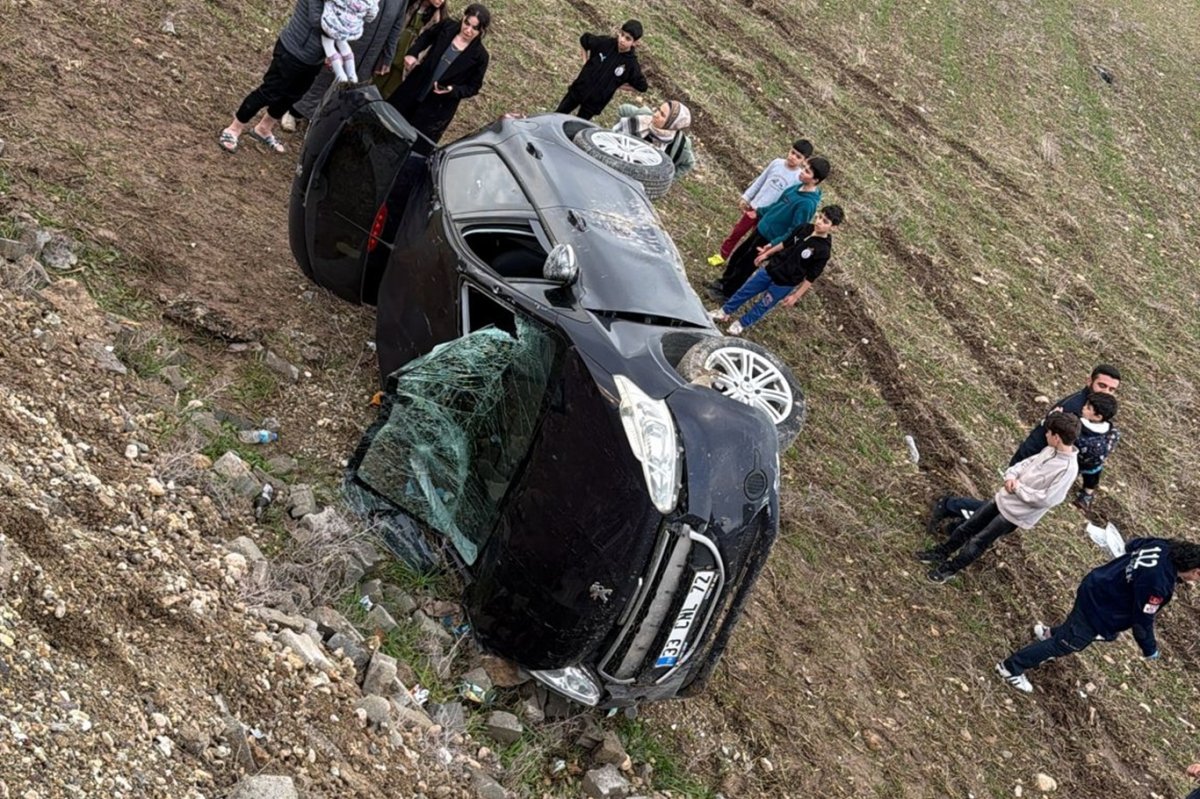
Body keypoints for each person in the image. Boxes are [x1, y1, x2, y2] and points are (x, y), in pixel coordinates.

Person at [995, 537, 1200, 693]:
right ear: (1196, 571)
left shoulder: (1164, 546)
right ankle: (1011, 667)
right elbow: (1142, 621)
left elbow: (1133, 545)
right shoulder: (1159, 585)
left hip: (1096, 583)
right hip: (1101, 608)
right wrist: (1149, 648)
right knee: (1070, 643)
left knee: (1075, 625)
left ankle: (1047, 633)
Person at [916, 411, 1081, 584]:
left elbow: (1047, 499)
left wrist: (1017, 488)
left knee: (978, 542)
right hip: (1002, 499)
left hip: (1013, 515)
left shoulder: (1068, 469)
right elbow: (1025, 464)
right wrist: (1011, 476)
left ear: (1057, 437)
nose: (1046, 434)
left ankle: (948, 569)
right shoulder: (1049, 450)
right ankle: (940, 552)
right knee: (967, 527)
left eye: (1048, 432)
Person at [707, 156, 830, 300]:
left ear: (815, 180)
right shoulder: (797, 187)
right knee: (738, 256)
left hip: (770, 238)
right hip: (762, 228)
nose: (802, 172)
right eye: (804, 168)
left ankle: (727, 292)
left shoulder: (807, 204)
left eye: (807, 172)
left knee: (745, 265)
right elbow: (776, 205)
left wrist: (774, 244)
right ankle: (723, 282)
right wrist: (758, 212)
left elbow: (795, 231)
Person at [708, 205, 843, 335]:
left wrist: (796, 296)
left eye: (825, 222)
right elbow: (785, 243)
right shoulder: (804, 228)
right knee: (745, 291)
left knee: (763, 305)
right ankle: (724, 312)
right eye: (819, 217)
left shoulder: (823, 251)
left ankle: (742, 323)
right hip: (770, 269)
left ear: (834, 228)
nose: (819, 222)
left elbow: (811, 277)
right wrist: (767, 254)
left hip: (785, 283)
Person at [218, 0, 328, 154]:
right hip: (292, 50)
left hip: (315, 59)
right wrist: (348, 25)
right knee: (269, 91)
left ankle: (263, 129)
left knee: (292, 97)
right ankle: (234, 128)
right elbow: (319, 21)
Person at [387, 4, 490, 151]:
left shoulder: (480, 57)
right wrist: (413, 53)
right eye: (466, 23)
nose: (468, 30)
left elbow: (473, 87)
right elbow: (426, 37)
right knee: (391, 123)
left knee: (413, 146)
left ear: (481, 31)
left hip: (436, 108)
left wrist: (452, 90)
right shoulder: (447, 27)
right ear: (463, 18)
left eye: (474, 28)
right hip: (415, 87)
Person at [289, 0, 408, 122]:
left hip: (372, 51)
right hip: (348, 36)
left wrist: (387, 56)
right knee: (325, 77)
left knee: (353, 86)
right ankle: (296, 111)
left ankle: (325, 121)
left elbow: (397, 25)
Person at [707, 139, 813, 268]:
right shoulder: (776, 163)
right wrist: (747, 197)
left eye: (798, 157)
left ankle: (741, 263)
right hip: (755, 207)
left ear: (804, 160)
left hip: (769, 215)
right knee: (737, 232)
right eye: (792, 152)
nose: (793, 157)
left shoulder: (798, 179)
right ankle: (722, 255)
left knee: (754, 242)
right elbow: (760, 180)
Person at [1010, 364, 1121, 465]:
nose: (1106, 392)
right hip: (1034, 462)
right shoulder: (1075, 409)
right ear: (1089, 381)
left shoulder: (1094, 406)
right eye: (1102, 385)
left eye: (1111, 389)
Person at [555, 20, 648, 121]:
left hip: (594, 103)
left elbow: (642, 86)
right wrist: (585, 62)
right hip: (578, 90)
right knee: (557, 116)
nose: (622, 40)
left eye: (628, 39)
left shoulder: (631, 64)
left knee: (576, 128)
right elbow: (584, 40)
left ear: (635, 43)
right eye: (622, 34)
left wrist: (617, 85)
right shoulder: (605, 43)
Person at [374, 0, 450, 98]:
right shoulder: (410, 4)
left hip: (409, 62)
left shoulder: (440, 19)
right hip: (392, 51)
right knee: (375, 84)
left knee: (390, 93)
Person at [612, 100, 695, 179]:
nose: (655, 114)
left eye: (662, 115)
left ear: (671, 124)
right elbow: (623, 110)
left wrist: (668, 178)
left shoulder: (679, 145)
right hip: (616, 163)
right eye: (658, 109)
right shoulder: (643, 119)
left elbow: (688, 164)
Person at [1073, 392, 1120, 513]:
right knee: (1091, 480)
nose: (1083, 407)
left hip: (1075, 461)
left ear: (1098, 416)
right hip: (1095, 464)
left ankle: (1084, 494)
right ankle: (1086, 495)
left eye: (1088, 407)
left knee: (1070, 476)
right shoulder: (1110, 430)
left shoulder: (1079, 426)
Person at [321, 0, 380, 83]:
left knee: (328, 44)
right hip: (351, 27)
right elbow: (371, 16)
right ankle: (352, 75)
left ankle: (340, 75)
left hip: (332, 22)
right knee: (343, 43)